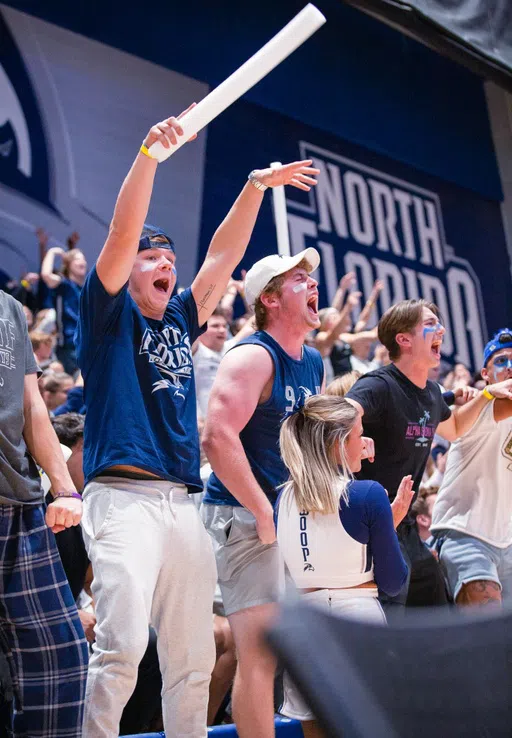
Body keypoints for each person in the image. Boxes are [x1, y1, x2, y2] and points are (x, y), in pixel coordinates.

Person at [75, 105, 318, 738]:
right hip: (121, 498)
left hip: (182, 505)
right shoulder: (107, 317)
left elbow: (221, 255)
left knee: (193, 661)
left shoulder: (181, 319)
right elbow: (121, 237)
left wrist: (255, 188)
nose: (167, 267)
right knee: (122, 649)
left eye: (170, 260)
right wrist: (149, 158)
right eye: (153, 260)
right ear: (127, 268)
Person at [202, 240, 324, 738]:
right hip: (245, 516)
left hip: (290, 519)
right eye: (300, 279)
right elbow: (216, 436)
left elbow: (308, 445)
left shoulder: (313, 361)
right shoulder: (253, 355)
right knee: (258, 655)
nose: (314, 283)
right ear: (270, 299)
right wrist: (264, 510)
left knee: (302, 652)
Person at [345, 299, 512, 611]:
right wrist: (352, 437)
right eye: (431, 324)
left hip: (405, 524)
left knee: (437, 611)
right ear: (404, 339)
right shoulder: (379, 385)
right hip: (371, 522)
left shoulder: (432, 394)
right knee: (388, 620)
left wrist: (485, 393)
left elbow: (456, 427)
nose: (442, 330)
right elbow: (338, 417)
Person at [276, 394, 410, 738]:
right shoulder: (369, 495)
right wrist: (387, 526)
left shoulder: (282, 497)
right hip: (356, 622)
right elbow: (394, 581)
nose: (364, 442)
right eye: (358, 434)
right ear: (338, 443)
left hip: (303, 626)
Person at [0, 289, 88, 738]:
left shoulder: (10, 308)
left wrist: (65, 487)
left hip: (20, 508)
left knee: (64, 660)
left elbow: (33, 405)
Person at [431, 329, 512, 607]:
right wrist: (486, 394)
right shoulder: (480, 405)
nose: (510, 367)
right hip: (465, 535)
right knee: (486, 631)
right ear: (486, 375)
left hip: (507, 539)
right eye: (501, 361)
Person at [41, 245, 88, 374]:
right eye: (78, 259)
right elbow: (46, 274)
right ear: (69, 265)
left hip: (85, 346)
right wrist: (52, 251)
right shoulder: (63, 285)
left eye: (83, 259)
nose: (83, 262)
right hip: (68, 347)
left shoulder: (84, 289)